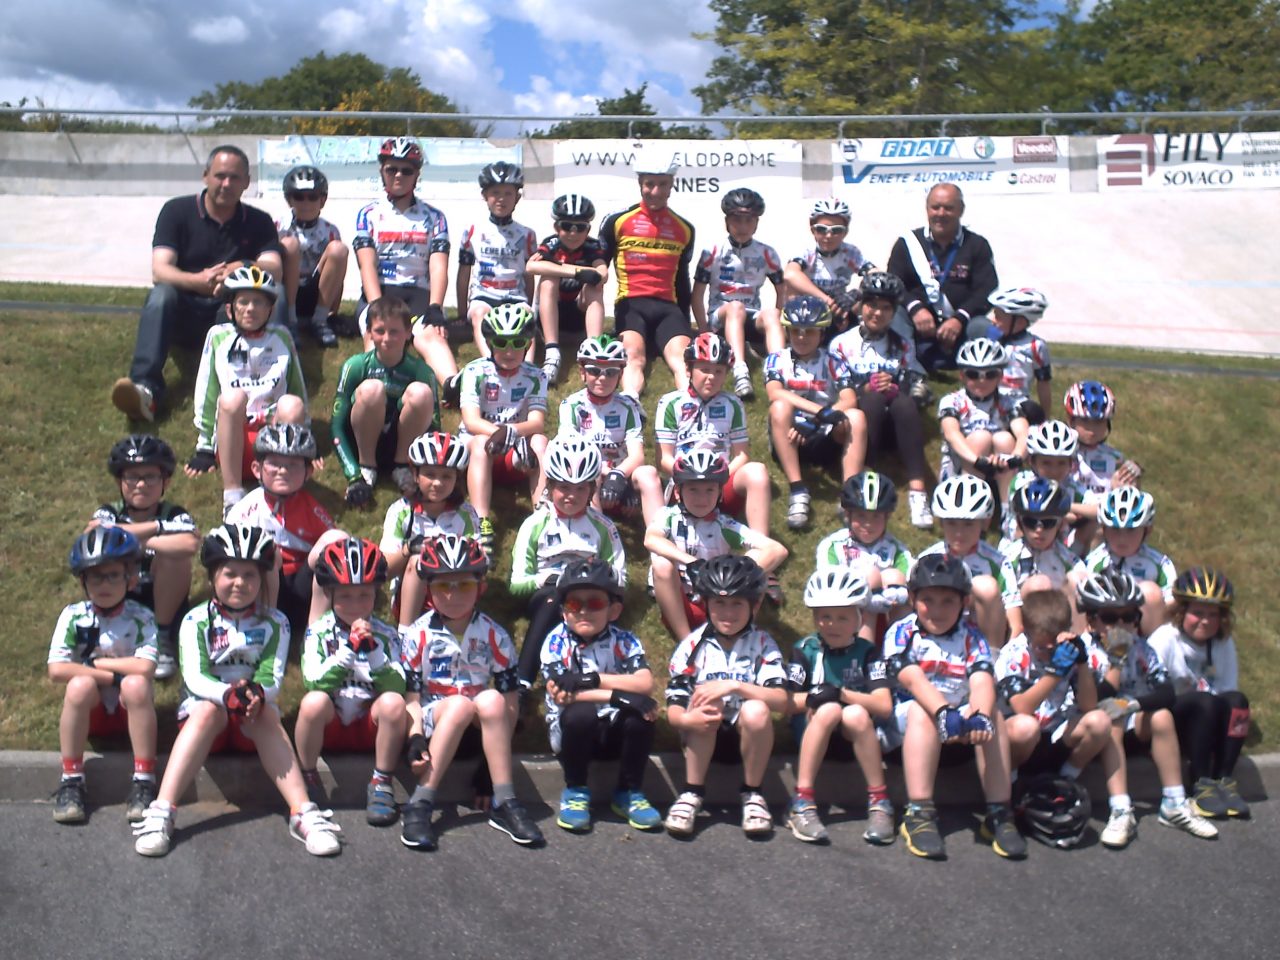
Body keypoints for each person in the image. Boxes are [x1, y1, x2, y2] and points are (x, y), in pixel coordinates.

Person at [132, 524, 342, 858]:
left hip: (250, 719)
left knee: (267, 713)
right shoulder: (195, 620)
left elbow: (272, 676)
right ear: (213, 576)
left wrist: (256, 693)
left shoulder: (276, 622)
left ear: (262, 580)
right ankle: (162, 812)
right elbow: (195, 677)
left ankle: (303, 814)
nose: (240, 583)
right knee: (205, 709)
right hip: (207, 720)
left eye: (250, 575)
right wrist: (227, 694)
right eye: (230, 573)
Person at [111, 144, 285, 421]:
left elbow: (274, 268)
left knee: (275, 292)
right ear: (206, 176)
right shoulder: (176, 212)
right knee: (161, 295)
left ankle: (262, 385)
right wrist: (198, 281)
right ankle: (146, 390)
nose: (226, 184)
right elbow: (160, 270)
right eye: (220, 175)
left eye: (235, 178)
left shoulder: (259, 221)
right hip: (183, 311)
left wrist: (240, 267)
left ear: (246, 183)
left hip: (228, 311)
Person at [399, 534, 544, 849]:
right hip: (433, 721)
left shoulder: (495, 635)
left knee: (490, 698)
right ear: (428, 590)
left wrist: (486, 771)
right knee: (459, 706)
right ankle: (420, 802)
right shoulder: (417, 634)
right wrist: (414, 738)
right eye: (442, 586)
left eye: (463, 585)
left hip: (477, 731)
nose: (453, 595)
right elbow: (411, 699)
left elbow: (509, 707)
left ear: (481, 587)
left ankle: (505, 800)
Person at [884, 554, 1026, 860]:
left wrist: (981, 716)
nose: (936, 610)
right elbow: (912, 679)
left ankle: (999, 812)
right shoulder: (902, 631)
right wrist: (943, 712)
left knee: (995, 716)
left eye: (948, 601)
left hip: (953, 723)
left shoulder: (971, 635)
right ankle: (919, 812)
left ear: (964, 603)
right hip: (909, 725)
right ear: (912, 599)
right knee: (923, 710)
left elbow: (982, 679)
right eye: (928, 600)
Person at [1074, 568, 1218, 845]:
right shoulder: (1084, 651)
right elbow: (1095, 700)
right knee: (1110, 717)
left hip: (1132, 724)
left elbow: (1166, 693)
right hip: (1093, 733)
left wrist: (1131, 704)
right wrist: (1116, 661)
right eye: (1109, 617)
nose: (1121, 625)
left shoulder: (1141, 649)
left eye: (1129, 617)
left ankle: (1174, 803)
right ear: (1091, 620)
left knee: (1161, 716)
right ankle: (1120, 808)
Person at [663, 555, 789, 839]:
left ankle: (753, 794)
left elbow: (781, 699)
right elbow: (673, 705)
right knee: (706, 703)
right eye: (719, 603)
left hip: (748, 739)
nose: (728, 613)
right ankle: (691, 793)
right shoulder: (692, 646)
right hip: (702, 737)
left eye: (737, 604)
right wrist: (686, 719)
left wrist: (735, 686)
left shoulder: (763, 643)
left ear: (754, 605)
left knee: (757, 708)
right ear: (706, 604)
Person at [540, 559, 661, 833]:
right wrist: (619, 696)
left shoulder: (625, 640)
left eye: (594, 604)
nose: (583, 611)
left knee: (641, 714)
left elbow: (644, 682)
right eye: (574, 604)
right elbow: (561, 695)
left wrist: (593, 680)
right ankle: (576, 790)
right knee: (580, 714)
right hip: (572, 734)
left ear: (614, 609)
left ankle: (629, 793)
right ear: (562, 611)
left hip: (612, 730)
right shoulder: (556, 642)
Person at [995, 590, 1125, 843]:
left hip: (1056, 734)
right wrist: (1055, 672)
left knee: (1099, 722)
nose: (1047, 652)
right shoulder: (1013, 653)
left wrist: (1081, 664)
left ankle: (1065, 778)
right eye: (1041, 647)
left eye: (1053, 646)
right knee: (1025, 727)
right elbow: (1022, 707)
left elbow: (1088, 706)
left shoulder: (1073, 649)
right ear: (1027, 633)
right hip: (1020, 742)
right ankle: (1011, 786)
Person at [295, 538, 408, 827]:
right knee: (312, 703)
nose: (355, 605)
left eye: (364, 595)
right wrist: (346, 653)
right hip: (331, 723)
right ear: (330, 594)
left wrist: (373, 654)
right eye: (345, 596)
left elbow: (398, 685)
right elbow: (312, 681)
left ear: (376, 593)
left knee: (394, 704)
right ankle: (307, 776)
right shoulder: (318, 633)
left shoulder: (386, 634)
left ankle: (382, 782)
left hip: (369, 726)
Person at [49, 529, 158, 824]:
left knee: (136, 685)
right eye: (96, 577)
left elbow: (146, 667)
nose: (105, 584)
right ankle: (71, 779)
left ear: (130, 579)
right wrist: (108, 676)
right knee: (79, 686)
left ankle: (144, 779)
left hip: (129, 711)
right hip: (93, 712)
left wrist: (98, 666)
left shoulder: (142, 616)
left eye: (113, 576)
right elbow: (57, 669)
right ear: (83, 581)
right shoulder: (73, 615)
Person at [184, 265, 308, 515]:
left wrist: (306, 442)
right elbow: (207, 392)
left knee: (292, 404)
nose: (251, 308)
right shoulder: (218, 336)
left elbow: (297, 387)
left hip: (274, 439)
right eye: (243, 302)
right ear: (230, 307)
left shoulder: (281, 336)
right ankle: (232, 495)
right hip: (235, 441)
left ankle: (280, 496)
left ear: (270, 309)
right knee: (231, 398)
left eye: (258, 302)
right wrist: (205, 447)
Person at [784, 568, 895, 845]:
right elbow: (787, 703)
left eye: (843, 617)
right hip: (811, 731)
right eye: (825, 616)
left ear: (860, 618)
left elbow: (883, 705)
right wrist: (814, 697)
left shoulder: (869, 652)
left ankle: (880, 802)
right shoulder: (805, 649)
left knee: (855, 712)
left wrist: (841, 694)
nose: (832, 624)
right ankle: (802, 802)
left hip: (854, 737)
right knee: (829, 709)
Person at [510, 435, 626, 692]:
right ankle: (523, 683)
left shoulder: (604, 527)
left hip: (589, 595)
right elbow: (516, 585)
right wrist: (550, 579)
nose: (571, 496)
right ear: (549, 486)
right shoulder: (534, 525)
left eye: (580, 488)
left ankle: (594, 680)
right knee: (554, 598)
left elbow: (620, 578)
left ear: (592, 491)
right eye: (564, 487)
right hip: (545, 596)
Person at [644, 450, 788, 641]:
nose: (702, 498)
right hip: (678, 603)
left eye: (709, 490)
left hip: (718, 603)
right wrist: (691, 562)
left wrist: (735, 576)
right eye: (693, 489)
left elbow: (778, 550)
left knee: (753, 561)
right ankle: (687, 642)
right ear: (678, 493)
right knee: (661, 564)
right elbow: (651, 539)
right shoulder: (668, 516)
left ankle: (735, 636)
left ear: (720, 493)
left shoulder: (725, 525)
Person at [829, 271, 933, 527]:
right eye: (872, 305)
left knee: (903, 401)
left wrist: (898, 386)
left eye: (886, 308)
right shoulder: (841, 344)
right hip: (858, 425)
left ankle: (918, 492)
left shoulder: (903, 344)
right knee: (874, 398)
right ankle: (861, 475)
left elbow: (919, 385)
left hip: (897, 425)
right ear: (861, 305)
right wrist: (866, 387)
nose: (877, 313)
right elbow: (840, 392)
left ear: (894, 311)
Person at [93, 435, 199, 680]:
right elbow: (94, 532)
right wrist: (159, 529)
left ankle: (162, 638)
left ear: (166, 482)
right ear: (120, 481)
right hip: (119, 595)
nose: (141, 485)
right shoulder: (108, 512)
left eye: (150, 477)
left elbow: (190, 544)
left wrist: (131, 538)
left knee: (175, 557)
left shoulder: (174, 513)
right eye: (132, 477)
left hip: (163, 598)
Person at [1148, 568, 1251, 820]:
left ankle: (1225, 779)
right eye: (1198, 613)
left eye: (1213, 614)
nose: (1205, 621)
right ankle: (1200, 783)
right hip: (1171, 720)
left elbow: (1227, 690)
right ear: (1182, 612)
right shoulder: (1165, 638)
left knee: (1238, 702)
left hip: (1208, 718)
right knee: (1203, 702)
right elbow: (1151, 693)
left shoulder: (1223, 642)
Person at [352, 137, 456, 385]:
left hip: (418, 293)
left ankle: (454, 386)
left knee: (430, 335)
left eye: (406, 170)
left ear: (417, 175)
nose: (398, 175)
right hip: (381, 289)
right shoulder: (367, 214)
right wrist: (376, 306)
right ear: (382, 171)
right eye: (392, 169)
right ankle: (373, 387)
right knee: (377, 333)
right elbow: (366, 264)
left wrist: (435, 307)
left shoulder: (435, 217)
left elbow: (438, 264)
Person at [224, 425, 345, 631]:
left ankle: (316, 634)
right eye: (274, 464)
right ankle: (267, 627)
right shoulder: (245, 509)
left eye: (293, 465)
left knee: (336, 538)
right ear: (256, 469)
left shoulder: (313, 510)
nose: (283, 471)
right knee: (267, 549)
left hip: (303, 588)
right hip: (260, 589)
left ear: (308, 472)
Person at [763, 295, 866, 529]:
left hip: (823, 433)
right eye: (796, 330)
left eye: (809, 331)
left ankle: (849, 492)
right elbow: (775, 393)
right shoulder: (776, 360)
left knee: (856, 416)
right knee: (779, 407)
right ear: (787, 331)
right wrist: (818, 412)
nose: (801, 337)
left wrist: (819, 422)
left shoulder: (833, 361)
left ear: (821, 333)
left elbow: (849, 398)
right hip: (789, 435)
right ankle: (798, 491)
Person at [598, 150, 696, 396]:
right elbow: (599, 267)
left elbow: (682, 280)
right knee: (633, 356)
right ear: (640, 184)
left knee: (682, 359)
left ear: (672, 184)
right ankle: (631, 404)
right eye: (649, 184)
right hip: (631, 305)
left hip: (667, 308)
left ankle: (692, 408)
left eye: (663, 184)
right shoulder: (617, 221)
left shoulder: (685, 228)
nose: (656, 191)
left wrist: (684, 320)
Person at [456, 302, 550, 557]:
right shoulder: (475, 371)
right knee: (478, 443)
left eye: (518, 343)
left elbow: (537, 422)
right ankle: (482, 524)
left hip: (514, 452)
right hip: (476, 449)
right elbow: (471, 421)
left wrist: (510, 434)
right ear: (490, 343)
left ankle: (544, 517)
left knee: (540, 441)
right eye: (501, 342)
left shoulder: (536, 375)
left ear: (528, 344)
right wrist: (502, 433)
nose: (509, 351)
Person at [654, 332, 772, 536]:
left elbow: (742, 455)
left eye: (719, 371)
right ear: (689, 369)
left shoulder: (733, 403)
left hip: (720, 481)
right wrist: (691, 475)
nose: (712, 377)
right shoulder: (670, 403)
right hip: (685, 482)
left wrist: (720, 476)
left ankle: (761, 547)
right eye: (705, 369)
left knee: (757, 471)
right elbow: (663, 458)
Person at [330, 295, 440, 508]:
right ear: (369, 332)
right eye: (380, 331)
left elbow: (435, 427)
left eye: (395, 331)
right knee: (372, 389)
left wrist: (425, 470)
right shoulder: (355, 365)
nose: (387, 338)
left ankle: (402, 467)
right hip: (361, 441)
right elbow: (336, 426)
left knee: (421, 393)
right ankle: (366, 468)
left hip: (401, 444)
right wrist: (352, 474)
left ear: (408, 333)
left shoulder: (422, 371)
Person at [886, 182, 999, 373]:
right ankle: (905, 371)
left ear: (961, 210)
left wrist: (959, 318)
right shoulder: (907, 244)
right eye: (935, 207)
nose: (941, 213)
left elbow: (986, 289)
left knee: (986, 328)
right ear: (927, 208)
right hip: (917, 323)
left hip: (961, 324)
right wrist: (915, 309)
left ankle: (981, 375)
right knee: (894, 315)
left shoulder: (977, 245)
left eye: (948, 208)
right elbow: (894, 284)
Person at [557, 334, 663, 525]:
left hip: (621, 479)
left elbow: (637, 456)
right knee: (592, 472)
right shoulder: (571, 405)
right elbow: (570, 451)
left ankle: (661, 544)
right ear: (582, 373)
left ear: (621, 375)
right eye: (594, 371)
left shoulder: (628, 407)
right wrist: (607, 472)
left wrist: (620, 476)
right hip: (586, 480)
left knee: (648, 473)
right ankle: (597, 540)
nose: (602, 378)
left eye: (611, 372)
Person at [692, 188, 785, 398]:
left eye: (749, 221)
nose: (743, 227)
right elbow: (697, 295)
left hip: (751, 314)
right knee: (735, 307)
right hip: (721, 315)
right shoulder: (712, 251)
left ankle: (779, 369)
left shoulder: (767, 253)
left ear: (757, 223)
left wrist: (779, 320)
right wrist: (704, 331)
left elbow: (782, 291)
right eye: (737, 220)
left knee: (770, 314)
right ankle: (740, 371)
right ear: (727, 221)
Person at [381, 431, 480, 625]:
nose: (438, 483)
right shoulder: (400, 511)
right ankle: (404, 636)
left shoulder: (467, 513)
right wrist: (408, 550)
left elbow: (480, 565)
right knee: (419, 558)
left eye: (446, 476)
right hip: (411, 594)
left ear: (456, 479)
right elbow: (383, 571)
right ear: (416, 475)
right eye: (430, 474)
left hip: (453, 589)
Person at [919, 475, 1024, 645]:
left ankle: (991, 663)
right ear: (941, 523)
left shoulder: (998, 562)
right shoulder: (926, 559)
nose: (959, 532)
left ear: (985, 523)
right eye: (952, 523)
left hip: (984, 647)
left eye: (968, 524)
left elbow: (1016, 625)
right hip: (936, 642)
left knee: (986, 587)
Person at [526, 193, 610, 381]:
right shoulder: (551, 243)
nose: (573, 233)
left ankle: (593, 350)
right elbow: (531, 266)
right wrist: (577, 271)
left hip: (578, 314)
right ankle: (552, 352)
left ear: (588, 229)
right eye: (566, 227)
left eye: (580, 228)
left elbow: (602, 274)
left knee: (595, 287)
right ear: (556, 227)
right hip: (550, 313)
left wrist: (589, 273)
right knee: (548, 279)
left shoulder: (593, 246)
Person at [457, 162, 537, 358]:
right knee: (479, 315)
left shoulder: (527, 235)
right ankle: (490, 362)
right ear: (485, 195)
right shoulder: (472, 230)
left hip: (515, 297)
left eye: (508, 193)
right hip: (483, 296)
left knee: (527, 318)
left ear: (517, 197)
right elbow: (464, 272)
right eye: (495, 193)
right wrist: (461, 313)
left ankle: (528, 368)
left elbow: (529, 276)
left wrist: (530, 302)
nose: (501, 199)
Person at [937, 338, 1028, 500]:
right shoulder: (952, 401)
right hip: (963, 464)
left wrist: (1016, 457)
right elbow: (952, 434)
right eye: (973, 374)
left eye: (990, 374)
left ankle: (1008, 510)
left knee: (1004, 438)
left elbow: (1023, 433)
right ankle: (968, 503)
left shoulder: (1009, 400)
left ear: (1000, 376)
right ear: (962, 376)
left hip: (998, 465)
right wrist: (977, 461)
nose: (982, 381)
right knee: (981, 438)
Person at [815, 471, 913, 616]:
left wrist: (899, 593)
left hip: (888, 614)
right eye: (861, 515)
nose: (868, 524)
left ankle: (898, 637)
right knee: (870, 575)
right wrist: (867, 597)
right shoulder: (832, 546)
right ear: (848, 514)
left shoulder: (897, 549)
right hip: (846, 617)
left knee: (894, 577)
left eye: (876, 516)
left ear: (888, 516)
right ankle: (862, 639)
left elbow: (914, 580)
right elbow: (827, 583)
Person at [1083, 487, 1176, 634]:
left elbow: (1172, 603)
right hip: (1106, 629)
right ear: (1104, 529)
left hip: (1145, 634)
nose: (1122, 539)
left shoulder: (1160, 564)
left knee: (1150, 593)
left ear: (1147, 530)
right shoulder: (1095, 561)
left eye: (1131, 530)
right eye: (1115, 529)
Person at [276, 164, 347, 347]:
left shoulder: (330, 230)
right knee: (289, 244)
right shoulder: (278, 226)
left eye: (312, 197)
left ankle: (320, 321)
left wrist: (334, 311)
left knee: (338, 249)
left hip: (316, 293)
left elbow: (338, 275)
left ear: (322, 200)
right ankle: (290, 321)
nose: (306, 203)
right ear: (289, 200)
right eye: (299, 197)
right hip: (286, 292)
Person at [782, 198, 873, 332]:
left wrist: (858, 293)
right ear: (813, 230)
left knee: (871, 298)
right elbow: (790, 275)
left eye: (836, 230)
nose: (829, 235)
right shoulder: (807, 251)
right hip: (808, 310)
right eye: (821, 229)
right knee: (792, 290)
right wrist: (827, 301)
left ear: (845, 232)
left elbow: (876, 275)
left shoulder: (850, 252)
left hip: (839, 310)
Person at [1064, 379, 1142, 521]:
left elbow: (1130, 501)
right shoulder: (1060, 452)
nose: (1092, 430)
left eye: (1099, 423)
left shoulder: (1115, 458)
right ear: (1071, 421)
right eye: (1085, 422)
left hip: (1101, 519)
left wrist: (1132, 479)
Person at [1001, 478, 1086, 607]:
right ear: (1019, 523)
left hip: (1059, 619)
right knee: (1038, 585)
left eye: (1048, 523)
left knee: (1079, 579)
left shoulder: (1069, 561)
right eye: (1030, 522)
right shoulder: (1007, 558)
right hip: (1021, 618)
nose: (1039, 530)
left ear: (1060, 524)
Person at [987, 286, 1051, 424]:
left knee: (1032, 413)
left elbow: (1043, 383)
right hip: (990, 398)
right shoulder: (990, 341)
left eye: (998, 316)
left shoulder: (1035, 346)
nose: (992, 319)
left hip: (1018, 403)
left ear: (1020, 322)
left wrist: (1045, 418)